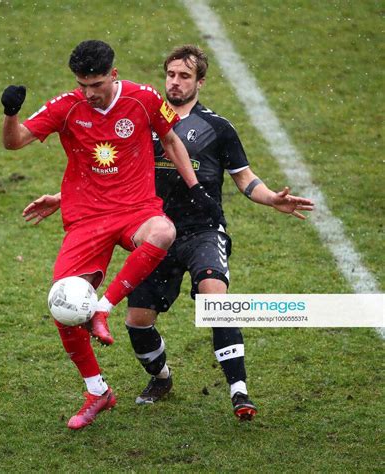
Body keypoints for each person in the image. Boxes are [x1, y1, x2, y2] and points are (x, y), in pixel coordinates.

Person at [22, 45, 314, 422]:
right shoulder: (144, 117)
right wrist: (64, 198)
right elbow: (110, 176)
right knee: (138, 322)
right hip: (149, 233)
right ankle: (161, 377)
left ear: (200, 82)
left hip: (200, 231)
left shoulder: (218, 128)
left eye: (185, 76)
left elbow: (244, 178)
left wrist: (271, 198)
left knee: (215, 302)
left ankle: (239, 391)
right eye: (171, 75)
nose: (175, 83)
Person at [1, 40, 221, 430]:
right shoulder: (66, 106)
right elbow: (15, 141)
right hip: (86, 218)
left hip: (136, 210)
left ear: (114, 75)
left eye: (97, 84)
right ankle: (97, 390)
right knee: (63, 306)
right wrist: (10, 113)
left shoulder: (144, 99)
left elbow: (170, 140)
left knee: (163, 230)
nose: (89, 93)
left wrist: (195, 188)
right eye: (83, 84)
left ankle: (103, 309)